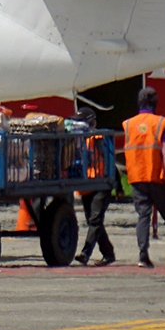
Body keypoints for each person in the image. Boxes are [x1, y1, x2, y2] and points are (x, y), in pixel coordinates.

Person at [123, 87, 165, 268]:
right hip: (156, 177)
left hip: (136, 178)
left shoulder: (128, 124)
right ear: (155, 103)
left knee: (143, 216)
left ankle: (143, 256)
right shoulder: (160, 123)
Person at [72, 106, 116, 265]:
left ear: (89, 123)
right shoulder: (77, 141)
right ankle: (109, 254)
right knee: (94, 221)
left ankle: (85, 253)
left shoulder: (98, 138)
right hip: (86, 185)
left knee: (95, 221)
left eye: (80, 123)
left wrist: (116, 185)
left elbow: (110, 160)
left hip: (100, 183)